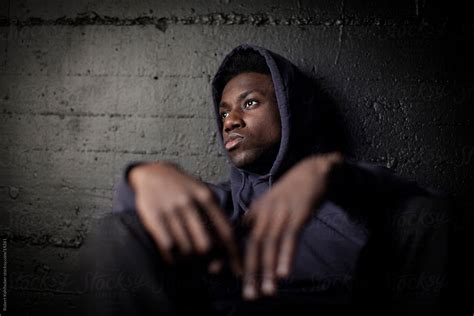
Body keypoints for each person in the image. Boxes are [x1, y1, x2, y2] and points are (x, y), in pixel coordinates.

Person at [81, 44, 454, 315]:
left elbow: (431, 212)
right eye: (224, 111)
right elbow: (126, 237)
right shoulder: (219, 207)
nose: (230, 121)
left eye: (250, 103)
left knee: (426, 214)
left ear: (291, 111)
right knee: (115, 231)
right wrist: (141, 178)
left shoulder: (353, 193)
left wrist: (328, 171)